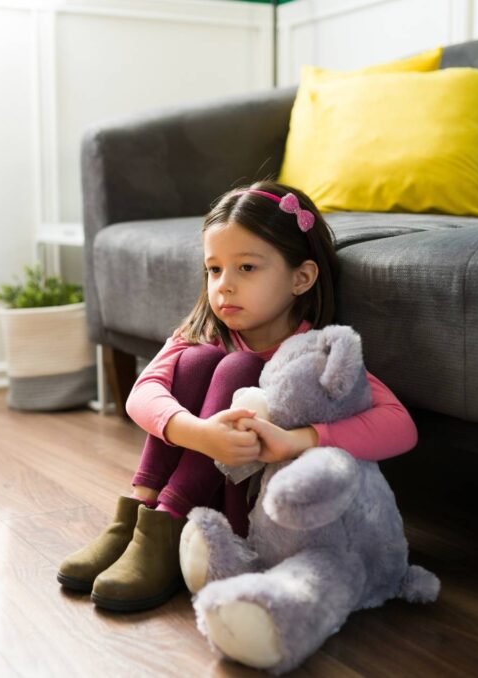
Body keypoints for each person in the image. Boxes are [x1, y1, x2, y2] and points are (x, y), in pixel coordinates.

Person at [57, 180, 418, 612]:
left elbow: (400, 424)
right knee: (193, 362)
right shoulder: (205, 332)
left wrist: (301, 438)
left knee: (240, 369)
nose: (223, 286)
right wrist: (199, 433)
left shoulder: (311, 354)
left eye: (246, 268)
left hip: (244, 514)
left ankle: (170, 523)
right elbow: (143, 393)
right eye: (214, 269)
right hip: (187, 489)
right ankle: (141, 513)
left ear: (301, 278)